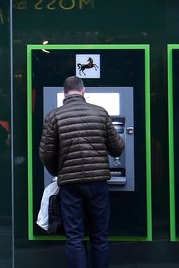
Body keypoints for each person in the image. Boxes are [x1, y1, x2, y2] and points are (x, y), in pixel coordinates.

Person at [39, 76, 125, 268]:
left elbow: (45, 154)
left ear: (64, 93)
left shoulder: (54, 116)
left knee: (74, 236)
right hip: (98, 182)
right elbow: (118, 148)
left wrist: (59, 171)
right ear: (83, 91)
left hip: (70, 184)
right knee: (100, 236)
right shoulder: (101, 113)